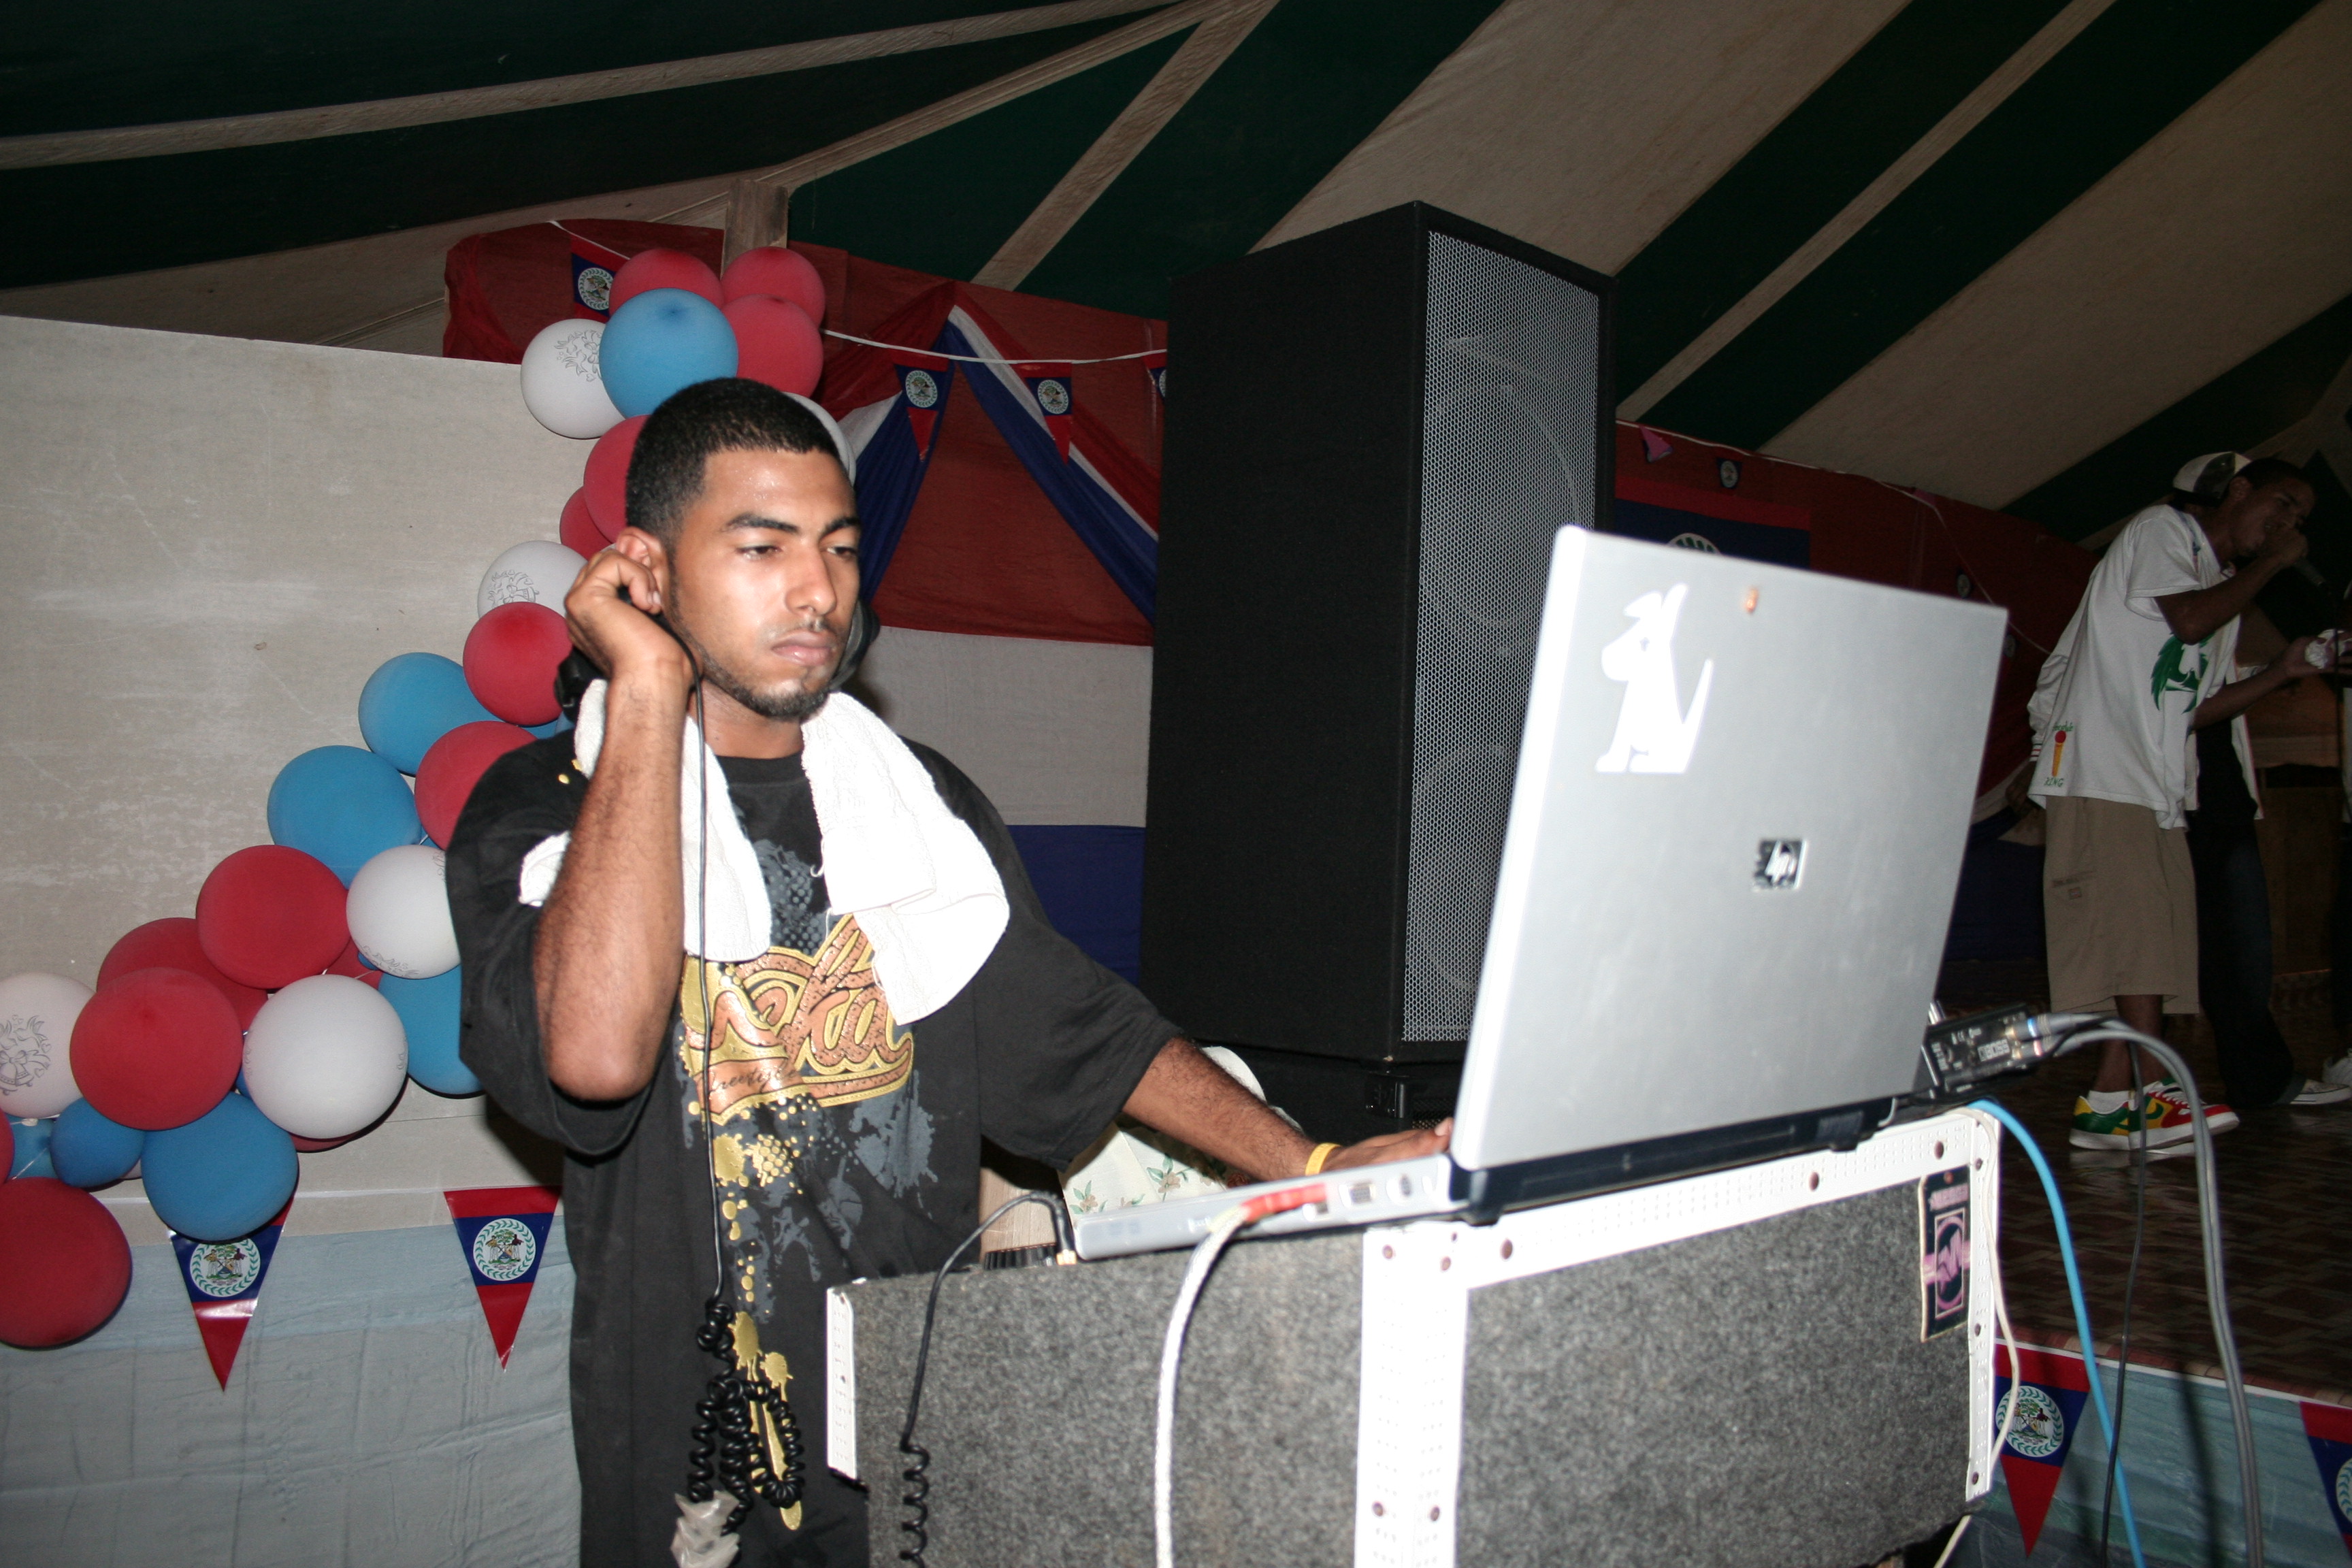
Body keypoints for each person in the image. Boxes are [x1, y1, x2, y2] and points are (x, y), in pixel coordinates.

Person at [448, 378, 1448, 1567]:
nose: (817, 590)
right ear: (649, 573)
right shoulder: (550, 809)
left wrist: (1312, 1166)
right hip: (694, 1485)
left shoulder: (916, 805)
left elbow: (1079, 1034)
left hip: (921, 1449)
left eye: (838, 548)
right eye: (762, 547)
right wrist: (651, 693)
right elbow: (596, 1060)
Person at [2027, 452, 2336, 1148]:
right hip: (2102, 766)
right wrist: (2273, 564)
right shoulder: (2162, 532)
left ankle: (2111, 1100)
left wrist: (2282, 672)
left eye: (2302, 518)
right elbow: (2187, 622)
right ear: (2240, 490)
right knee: (2135, 935)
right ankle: (2149, 1088)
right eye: (2283, 504)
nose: (2291, 525)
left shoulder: (2224, 589)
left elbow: (2195, 707)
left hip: (2158, 780)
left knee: (2151, 940)